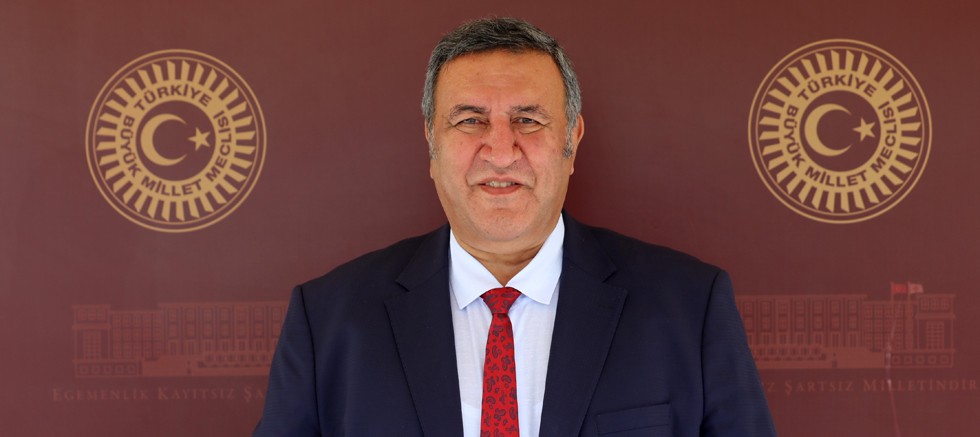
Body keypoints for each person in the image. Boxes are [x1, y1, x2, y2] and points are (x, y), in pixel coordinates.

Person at [254, 17, 775, 437]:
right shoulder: (329, 320)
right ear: (432, 143)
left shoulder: (690, 307)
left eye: (528, 120)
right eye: (469, 120)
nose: (501, 151)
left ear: (572, 140)